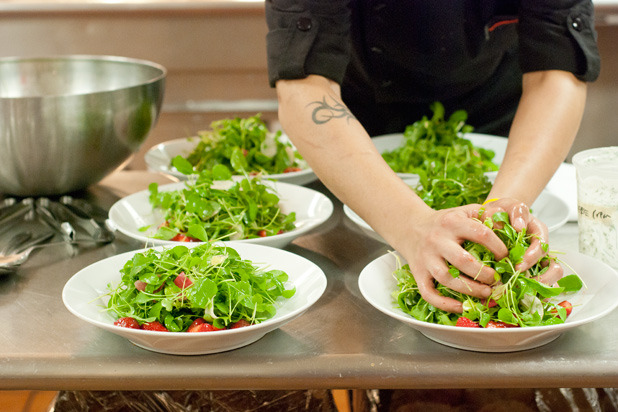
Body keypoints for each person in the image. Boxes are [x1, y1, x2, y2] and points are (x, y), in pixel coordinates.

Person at [265, 0, 600, 313]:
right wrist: (410, 225)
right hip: (353, 135)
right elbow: (305, 87)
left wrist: (498, 217)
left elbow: (555, 71)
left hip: (499, 121)